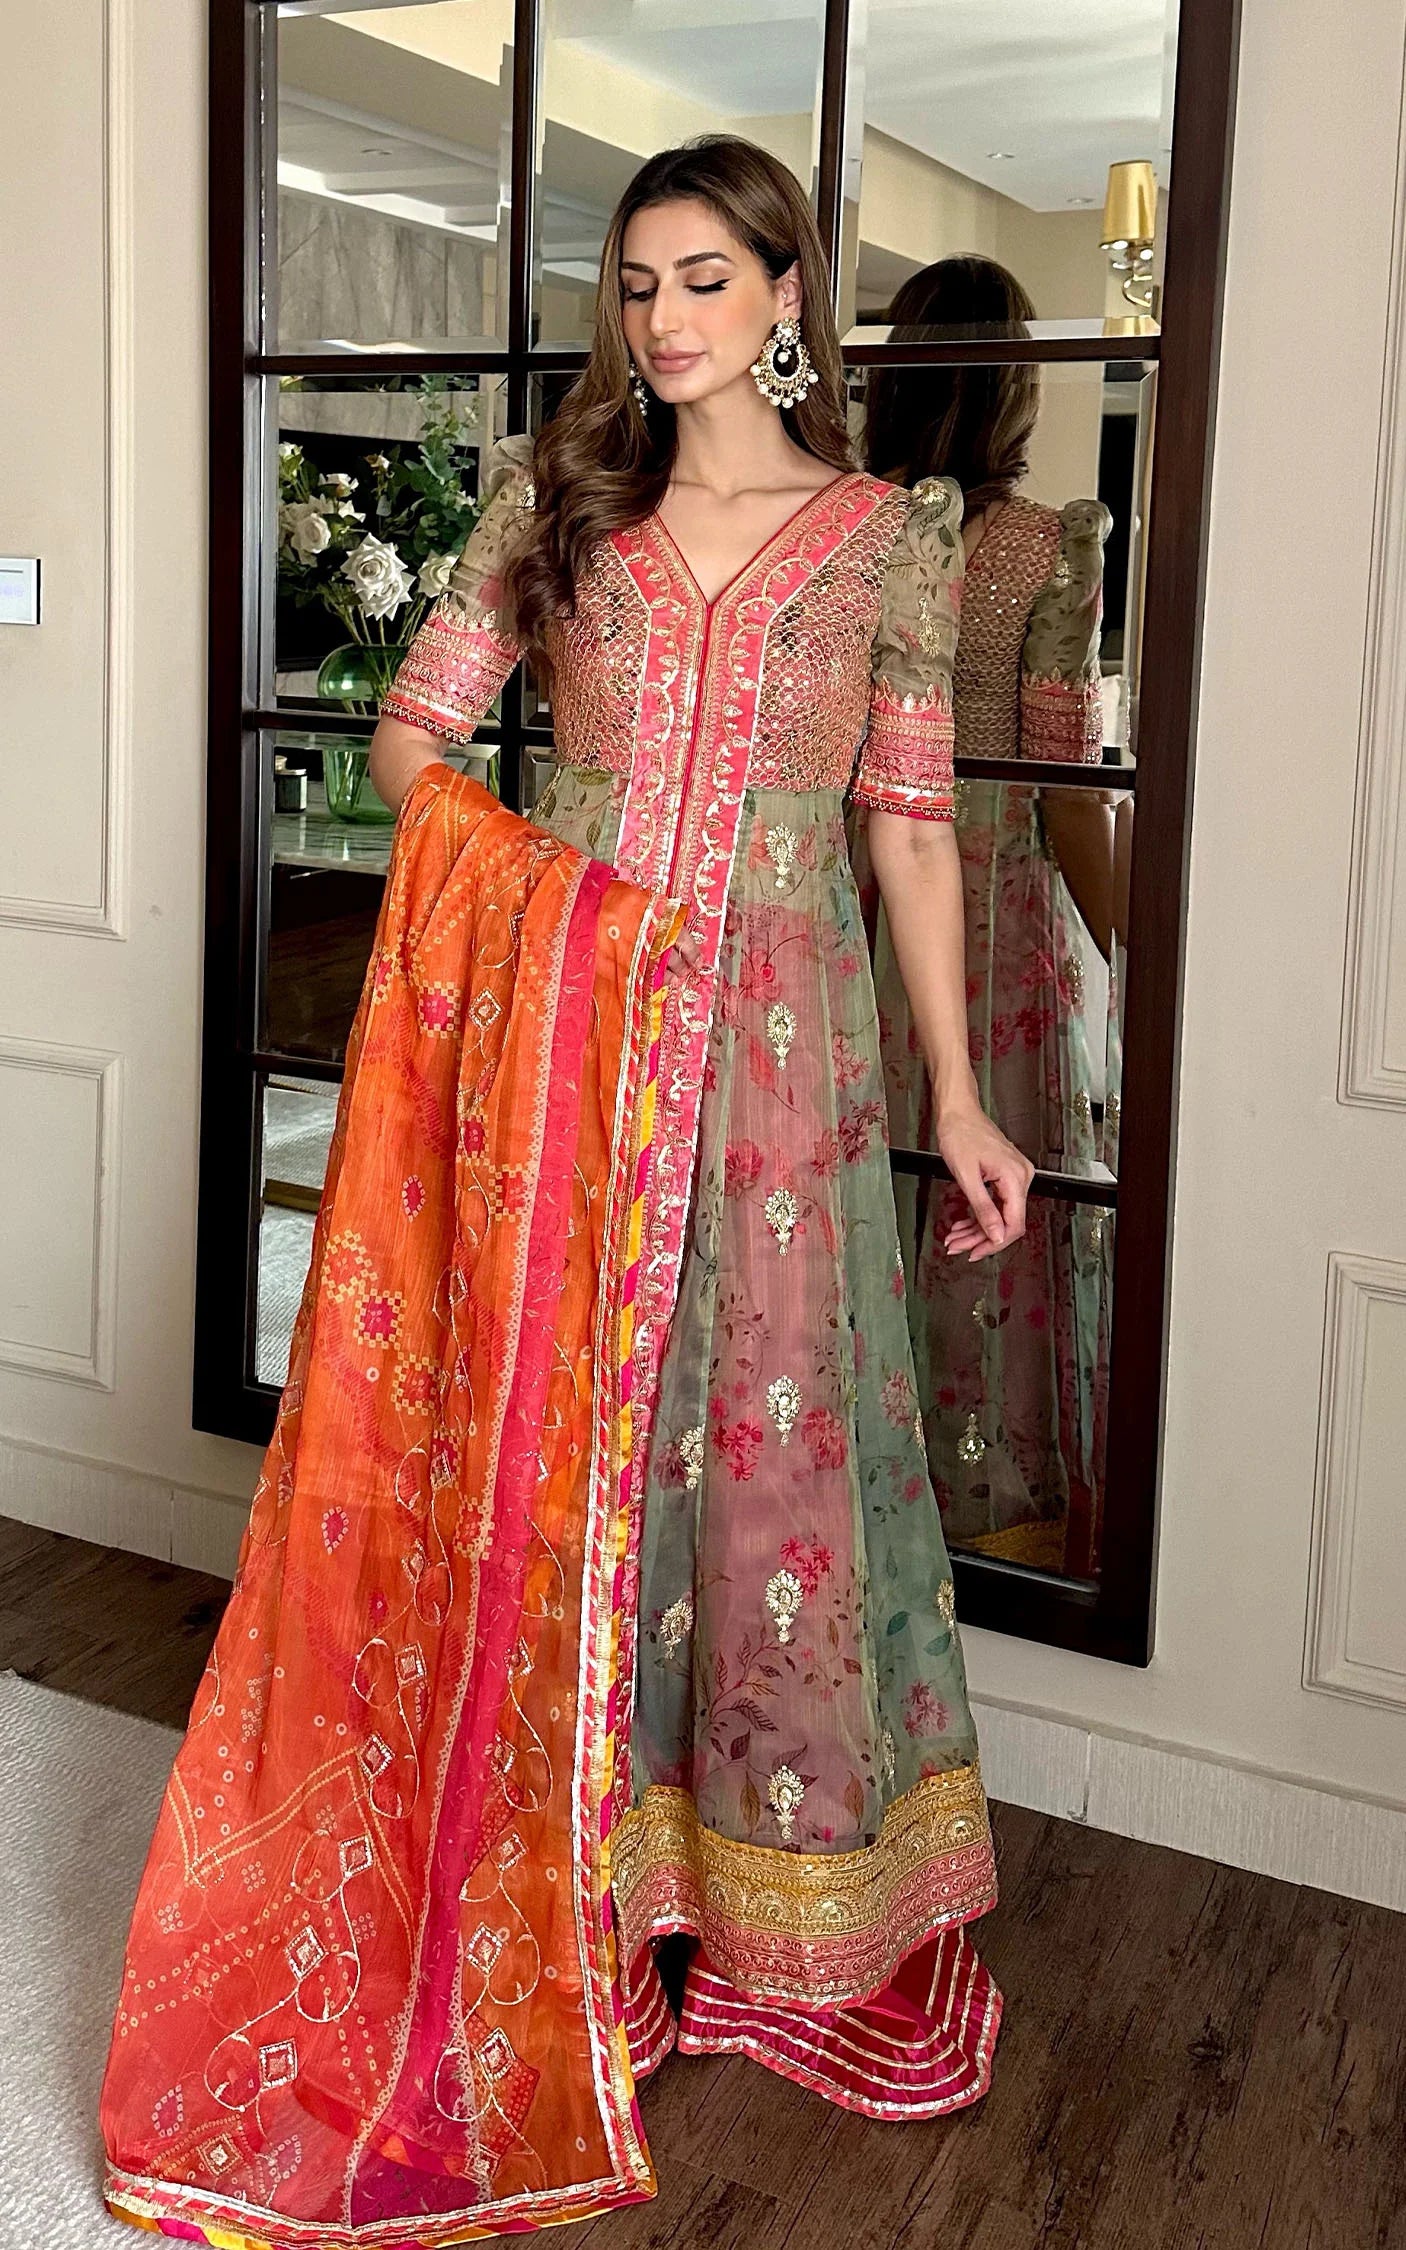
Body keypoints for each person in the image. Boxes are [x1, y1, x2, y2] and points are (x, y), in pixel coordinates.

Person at [101, 140, 1028, 2247]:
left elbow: (908, 832)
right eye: (635, 284)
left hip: (784, 1072)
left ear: (786, 294)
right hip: (573, 1048)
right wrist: (549, 904)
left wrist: (963, 1096)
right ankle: (572, 1899)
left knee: (772, 1466)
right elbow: (413, 740)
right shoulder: (565, 503)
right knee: (565, 1458)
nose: (663, 319)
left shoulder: (885, 539)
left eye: (704, 279)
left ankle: (777, 1930)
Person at [849, 253, 1120, 1579]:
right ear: (1016, 384)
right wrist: (1140, 957)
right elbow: (1065, 795)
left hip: (843, 898)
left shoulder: (841, 533)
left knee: (851, 1167)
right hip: (991, 918)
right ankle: (980, 1490)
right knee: (990, 1185)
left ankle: (838, 1457)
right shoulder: (1046, 549)